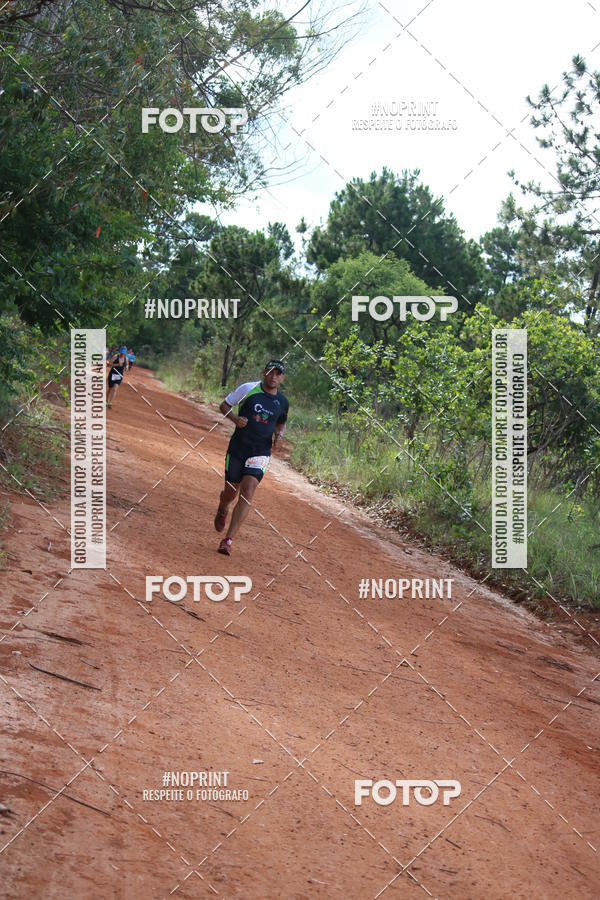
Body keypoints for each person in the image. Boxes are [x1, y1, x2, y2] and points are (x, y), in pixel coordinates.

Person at [214, 360, 289, 555]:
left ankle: (228, 540)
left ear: (282, 378)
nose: (273, 376)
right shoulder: (249, 389)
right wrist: (235, 419)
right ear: (264, 372)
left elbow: (281, 423)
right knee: (230, 492)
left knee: (248, 490)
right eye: (270, 372)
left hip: (260, 452)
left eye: (278, 374)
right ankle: (223, 507)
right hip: (238, 448)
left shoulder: (282, 402)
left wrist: (279, 436)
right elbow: (225, 405)